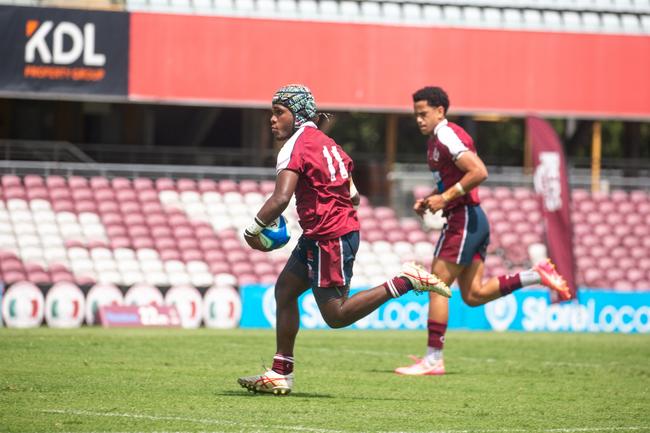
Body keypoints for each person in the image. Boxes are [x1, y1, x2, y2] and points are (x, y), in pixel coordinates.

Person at [237, 84, 451, 395]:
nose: (272, 119)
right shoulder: (328, 144)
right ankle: (281, 372)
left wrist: (252, 231)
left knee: (336, 314)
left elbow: (281, 197)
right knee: (285, 291)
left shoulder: (295, 146)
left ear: (297, 116)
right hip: (325, 232)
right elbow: (353, 196)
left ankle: (404, 281)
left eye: (278, 112)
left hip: (329, 235)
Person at [394, 86, 571, 376]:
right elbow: (454, 181)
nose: (418, 120)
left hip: (463, 218)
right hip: (472, 218)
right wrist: (431, 199)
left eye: (423, 113)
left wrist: (445, 198)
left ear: (440, 111)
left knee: (436, 284)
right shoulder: (438, 139)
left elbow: (479, 171)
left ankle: (433, 358)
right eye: (416, 114)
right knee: (474, 294)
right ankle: (535, 274)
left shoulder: (446, 134)